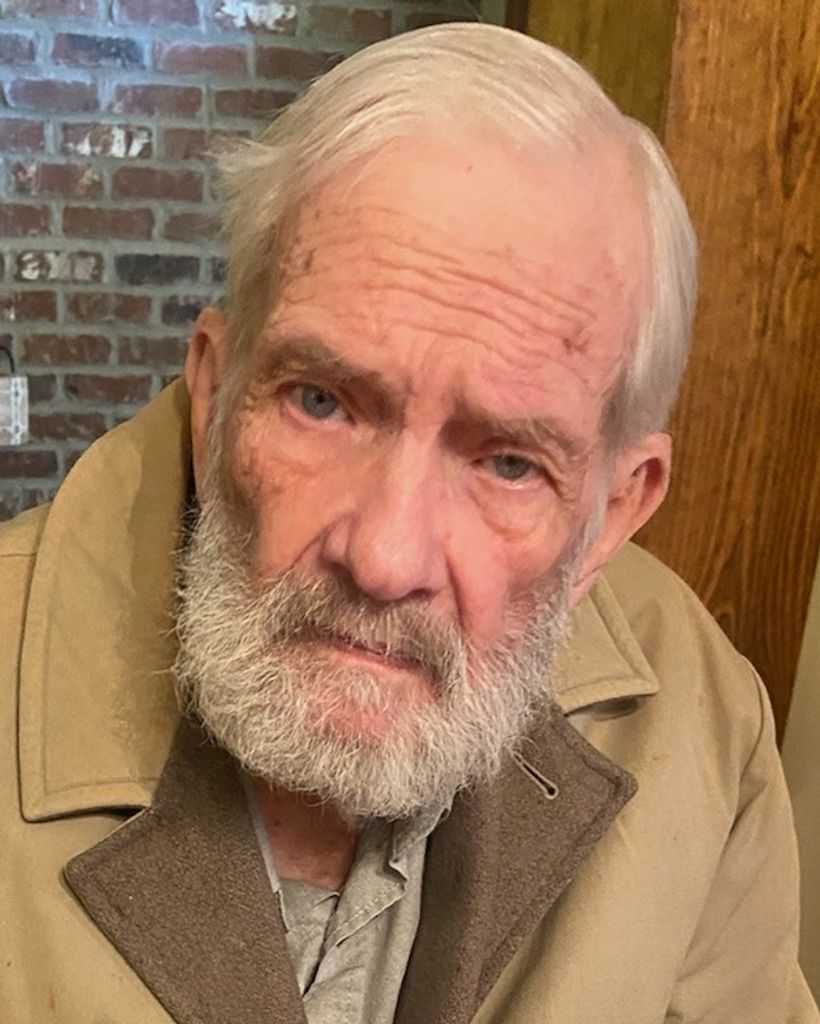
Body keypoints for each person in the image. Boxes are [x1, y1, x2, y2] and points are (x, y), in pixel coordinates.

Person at [0, 22, 816, 1024]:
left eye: (508, 463)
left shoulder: (701, 718)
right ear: (215, 398)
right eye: (321, 403)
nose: (385, 558)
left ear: (613, 515)